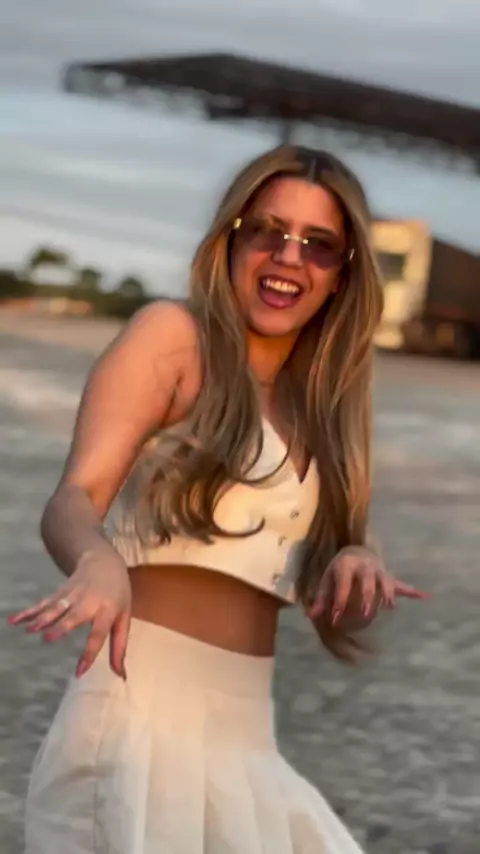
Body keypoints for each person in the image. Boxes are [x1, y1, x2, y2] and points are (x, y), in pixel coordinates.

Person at [10, 145, 427, 853]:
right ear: (231, 239)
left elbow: (327, 574)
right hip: (135, 722)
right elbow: (74, 497)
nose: (288, 258)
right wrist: (96, 559)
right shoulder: (173, 338)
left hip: (247, 739)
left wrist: (356, 561)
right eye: (267, 230)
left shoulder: (325, 408)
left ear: (344, 272)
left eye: (318, 244)